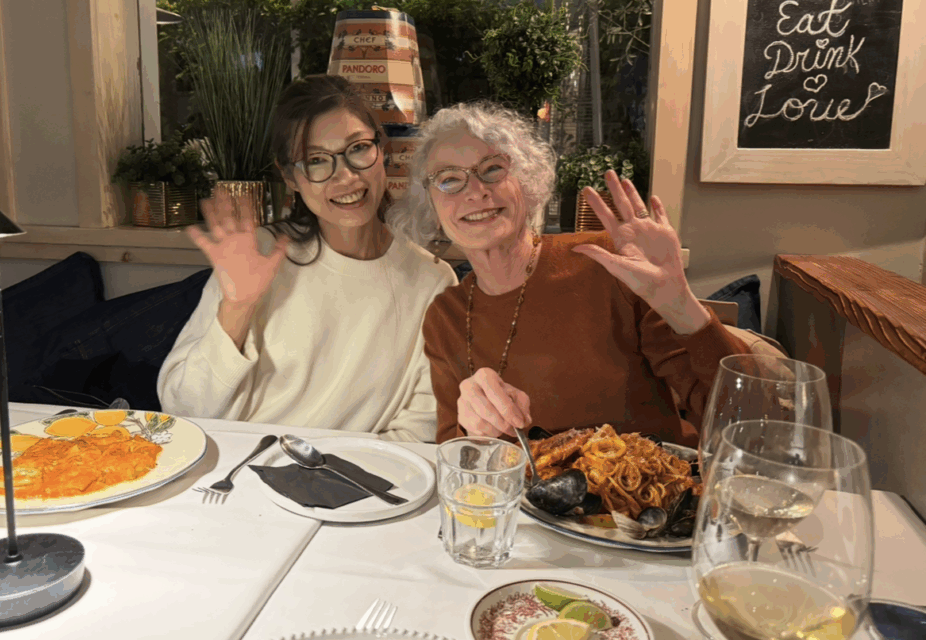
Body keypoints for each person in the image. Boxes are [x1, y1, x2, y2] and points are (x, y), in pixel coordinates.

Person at [388, 102, 751, 445]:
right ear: (431, 207)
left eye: (492, 169)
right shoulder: (446, 316)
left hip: (649, 484)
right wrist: (471, 429)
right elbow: (454, 452)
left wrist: (682, 306)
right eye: (449, 179)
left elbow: (747, 422)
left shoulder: (610, 263)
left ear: (526, 182)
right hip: (526, 491)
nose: (476, 191)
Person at [158, 75, 457, 442]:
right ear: (290, 177)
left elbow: (420, 427)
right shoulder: (259, 253)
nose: (346, 176)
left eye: (358, 148)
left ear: (382, 151)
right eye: (316, 160)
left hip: (355, 474)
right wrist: (237, 308)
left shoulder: (432, 281)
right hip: (237, 465)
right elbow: (182, 409)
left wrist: (333, 472)